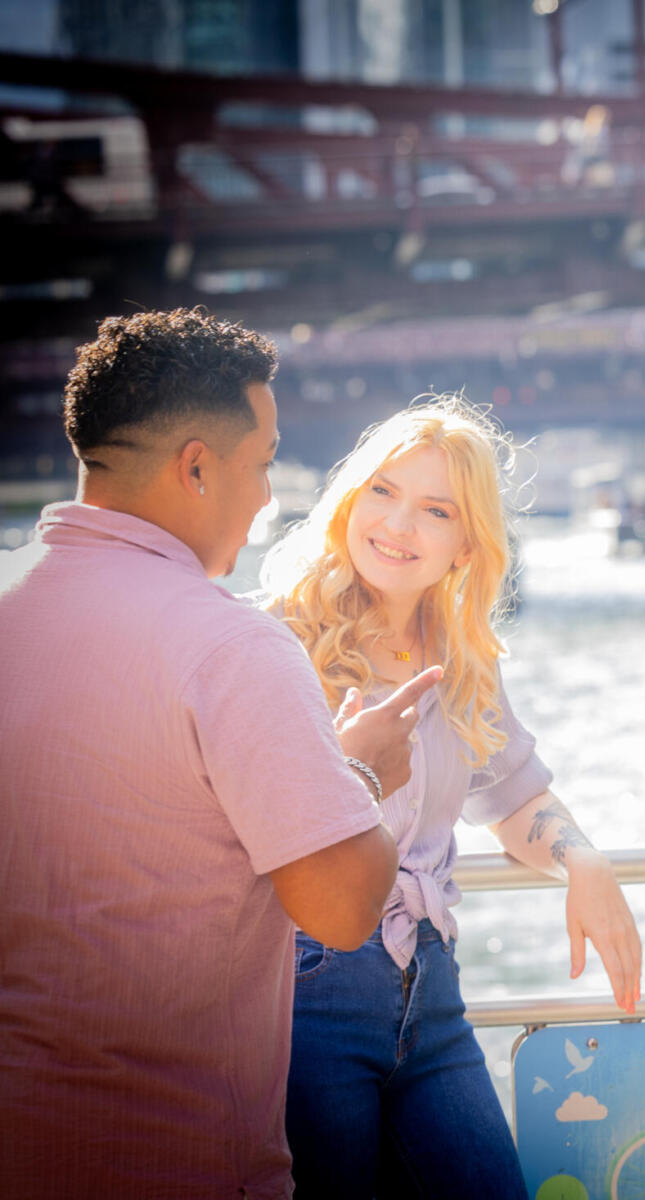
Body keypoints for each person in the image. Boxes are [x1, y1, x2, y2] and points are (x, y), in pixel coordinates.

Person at [0, 308, 427, 1198]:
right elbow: (343, 909)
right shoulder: (230, 646)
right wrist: (363, 771)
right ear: (197, 465)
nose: (271, 496)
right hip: (177, 1155)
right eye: (263, 462)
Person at [259, 395, 643, 1199]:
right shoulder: (272, 640)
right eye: (383, 493)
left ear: (467, 544)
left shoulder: (463, 658)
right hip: (304, 991)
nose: (399, 525)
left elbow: (513, 797)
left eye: (435, 510)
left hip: (432, 994)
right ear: (348, 500)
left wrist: (583, 859)